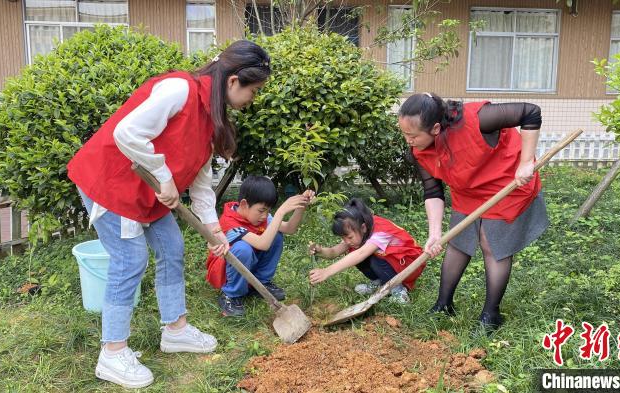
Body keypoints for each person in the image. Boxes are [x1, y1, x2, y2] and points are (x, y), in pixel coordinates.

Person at [66, 40, 271, 388]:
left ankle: (175, 330)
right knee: (129, 261)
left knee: (172, 249)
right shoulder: (180, 90)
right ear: (233, 80)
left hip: (148, 193)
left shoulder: (211, 117)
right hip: (112, 182)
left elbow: (202, 185)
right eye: (253, 90)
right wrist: (164, 177)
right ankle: (112, 353)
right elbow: (126, 132)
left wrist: (215, 232)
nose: (252, 98)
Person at [398, 93, 548, 330]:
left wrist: (526, 161)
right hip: (468, 190)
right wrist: (434, 233)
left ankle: (491, 315)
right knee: (458, 240)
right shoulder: (420, 150)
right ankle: (444, 304)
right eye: (404, 133)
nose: (408, 140)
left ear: (435, 128)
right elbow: (432, 192)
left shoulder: (477, 119)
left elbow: (530, 112)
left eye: (413, 135)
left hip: (507, 182)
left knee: (491, 243)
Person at [206, 176, 314, 316]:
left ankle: (261, 283)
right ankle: (230, 294)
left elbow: (289, 228)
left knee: (275, 234)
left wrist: (301, 205)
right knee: (242, 249)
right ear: (244, 204)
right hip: (224, 273)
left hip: (248, 267)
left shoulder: (259, 216)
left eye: (268, 211)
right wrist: (281, 211)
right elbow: (263, 245)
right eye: (261, 211)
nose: (265, 216)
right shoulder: (229, 223)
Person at [308, 198, 424, 304]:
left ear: (363, 227)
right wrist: (320, 250)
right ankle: (379, 283)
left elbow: (361, 254)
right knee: (358, 252)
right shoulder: (358, 231)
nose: (347, 241)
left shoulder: (380, 232)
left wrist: (326, 271)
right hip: (395, 264)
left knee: (366, 256)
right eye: (343, 238)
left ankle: (398, 291)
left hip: (410, 266)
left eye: (349, 237)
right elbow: (334, 252)